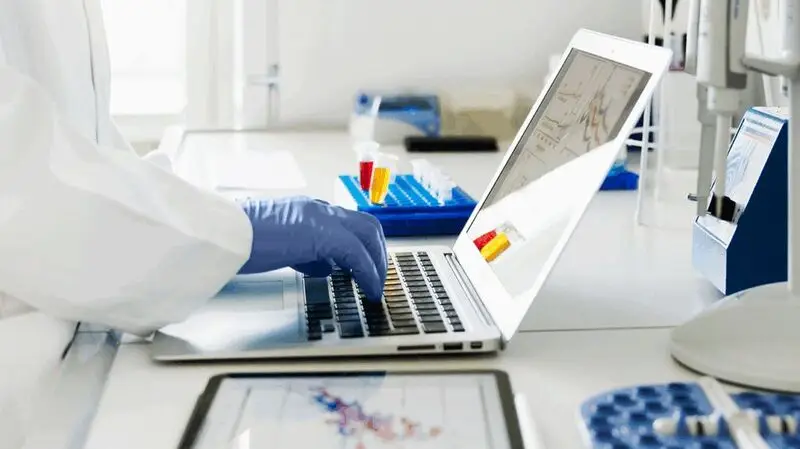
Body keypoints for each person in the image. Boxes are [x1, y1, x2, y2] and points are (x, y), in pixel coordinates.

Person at [0, 1, 387, 447]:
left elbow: (84, 153)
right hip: (25, 392)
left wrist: (207, 221)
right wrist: (232, 230)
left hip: (74, 352)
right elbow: (24, 194)